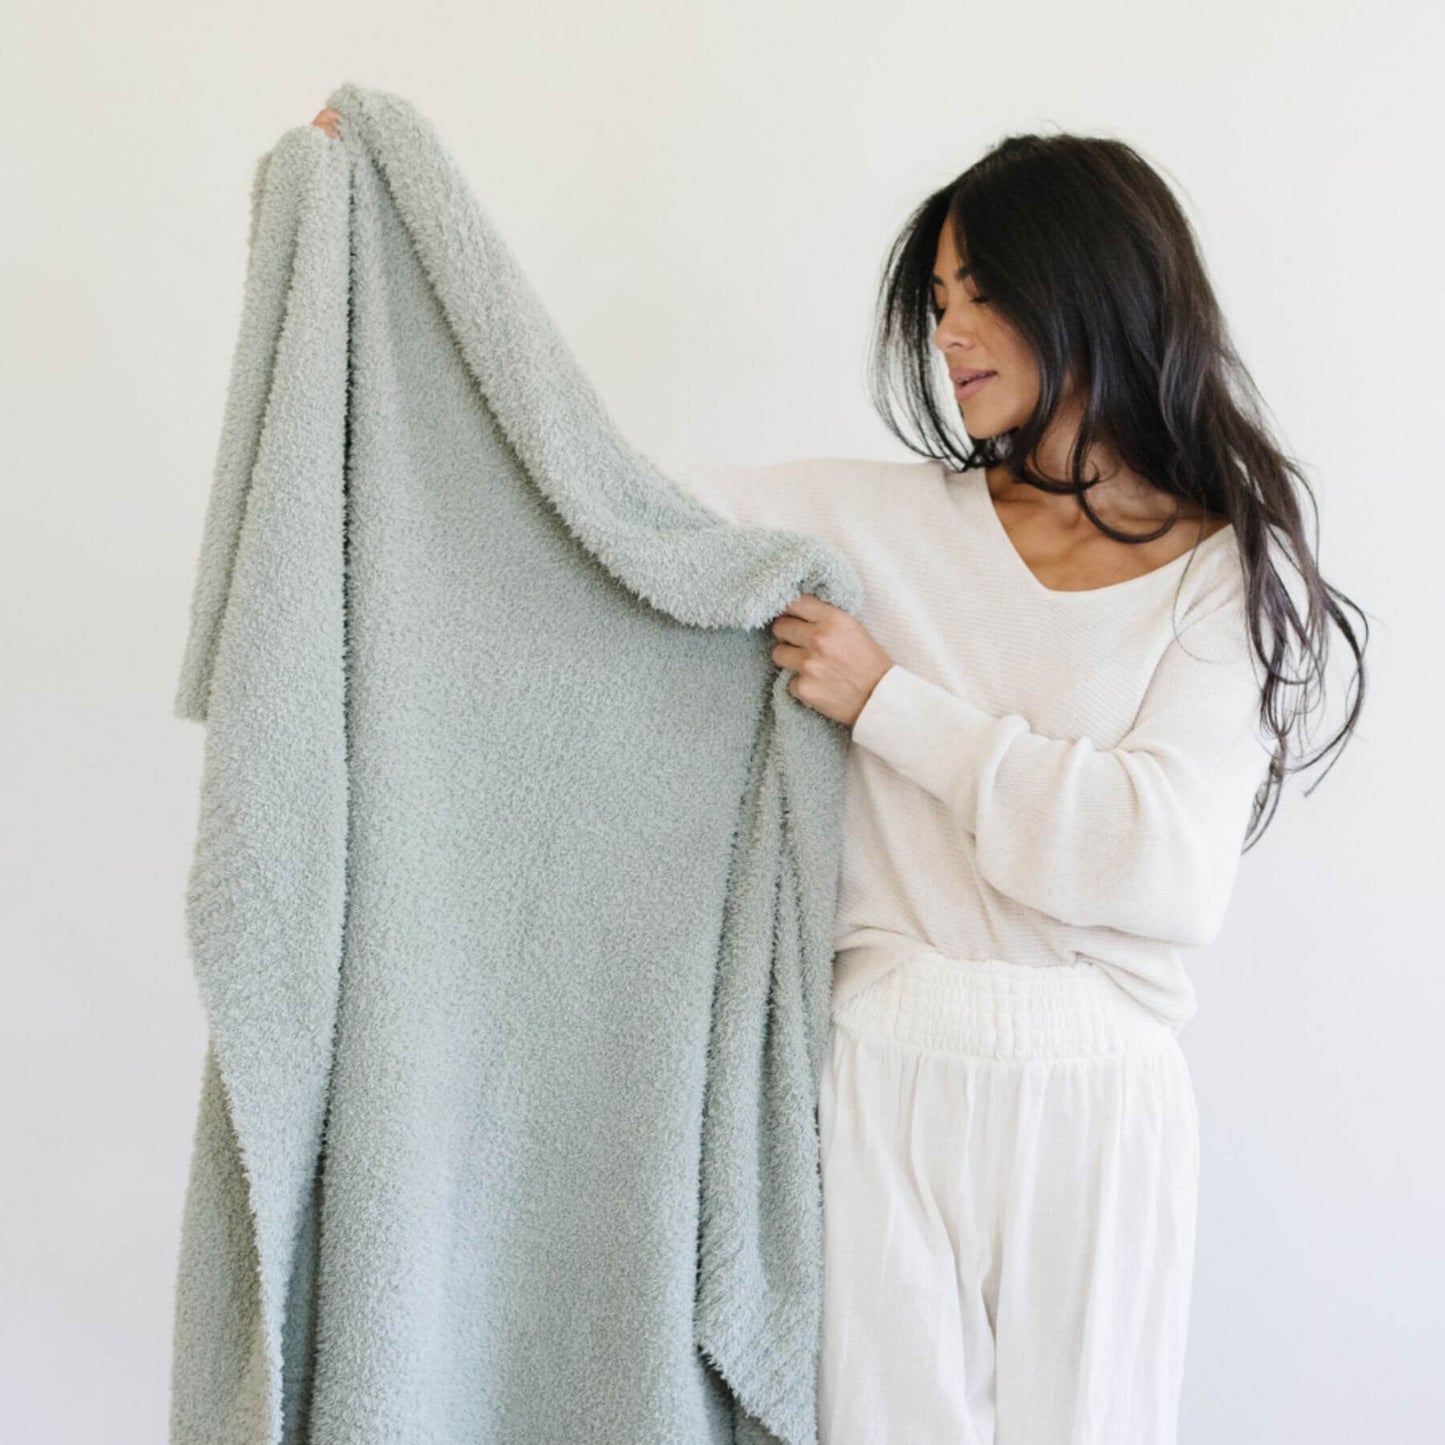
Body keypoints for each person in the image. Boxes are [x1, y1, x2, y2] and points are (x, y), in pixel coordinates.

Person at [311, 108, 1368, 1442]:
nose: (949, 333)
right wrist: (393, 215)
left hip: (1096, 1088)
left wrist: (890, 704)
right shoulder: (870, 520)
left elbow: (1161, 865)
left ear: (1090, 289)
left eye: (981, 293)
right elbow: (591, 485)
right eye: (937, 302)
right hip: (881, 1065)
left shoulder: (1223, 568)